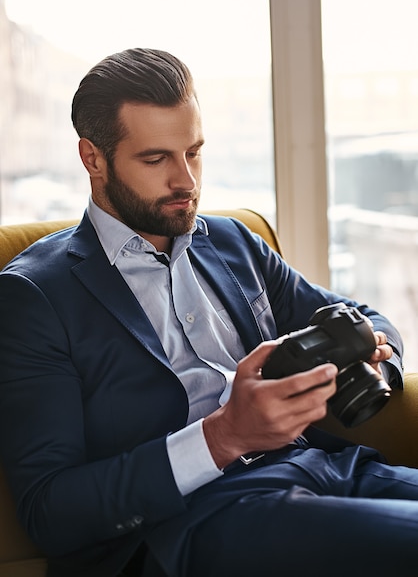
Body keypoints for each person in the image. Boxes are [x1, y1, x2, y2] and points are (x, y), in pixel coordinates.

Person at [0, 47, 417, 577]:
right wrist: (224, 436)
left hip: (322, 467)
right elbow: (49, 510)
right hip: (189, 523)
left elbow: (357, 316)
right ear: (93, 159)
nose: (187, 181)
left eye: (193, 152)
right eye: (156, 159)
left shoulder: (233, 242)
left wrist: (373, 361)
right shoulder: (34, 295)